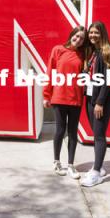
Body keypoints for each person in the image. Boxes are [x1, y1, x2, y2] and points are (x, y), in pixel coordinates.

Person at [43, 26, 86, 179]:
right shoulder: (58, 50)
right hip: (59, 97)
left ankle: (71, 165)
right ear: (72, 35)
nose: (78, 39)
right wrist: (46, 95)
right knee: (60, 130)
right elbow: (50, 72)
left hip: (75, 99)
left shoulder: (82, 55)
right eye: (76, 36)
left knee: (73, 132)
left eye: (81, 38)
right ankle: (56, 162)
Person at [81, 21, 110, 187]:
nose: (92, 35)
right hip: (90, 97)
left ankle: (96, 173)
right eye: (90, 33)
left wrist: (100, 103)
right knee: (96, 133)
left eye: (96, 32)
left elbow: (107, 80)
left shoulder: (105, 52)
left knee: (99, 135)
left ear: (102, 34)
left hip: (100, 100)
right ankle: (100, 167)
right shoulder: (93, 52)